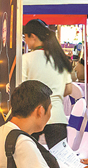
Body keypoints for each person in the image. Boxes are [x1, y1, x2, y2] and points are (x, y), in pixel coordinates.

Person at [22, 19, 73, 148]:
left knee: (28, 156)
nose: (25, 41)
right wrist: (55, 93)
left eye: (25, 37)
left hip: (32, 116)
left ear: (33, 36)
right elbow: (69, 89)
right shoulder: (59, 58)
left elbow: (21, 88)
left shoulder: (26, 59)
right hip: (57, 116)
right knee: (60, 157)